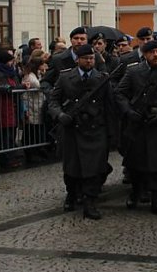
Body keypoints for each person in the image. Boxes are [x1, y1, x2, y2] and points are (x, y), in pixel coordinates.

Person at [47, 44, 114, 220]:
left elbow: (109, 106)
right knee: (72, 167)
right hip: (72, 129)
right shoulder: (65, 77)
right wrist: (60, 115)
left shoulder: (102, 79)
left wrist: (111, 133)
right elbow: (53, 100)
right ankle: (71, 195)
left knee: (93, 168)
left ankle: (90, 201)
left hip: (95, 128)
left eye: (92, 58)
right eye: (86, 58)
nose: (89, 61)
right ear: (78, 59)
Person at [115, 39, 157, 215]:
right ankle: (136, 193)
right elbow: (120, 93)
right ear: (145, 54)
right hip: (139, 123)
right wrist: (128, 112)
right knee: (136, 163)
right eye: (152, 52)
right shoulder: (133, 71)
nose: (156, 55)